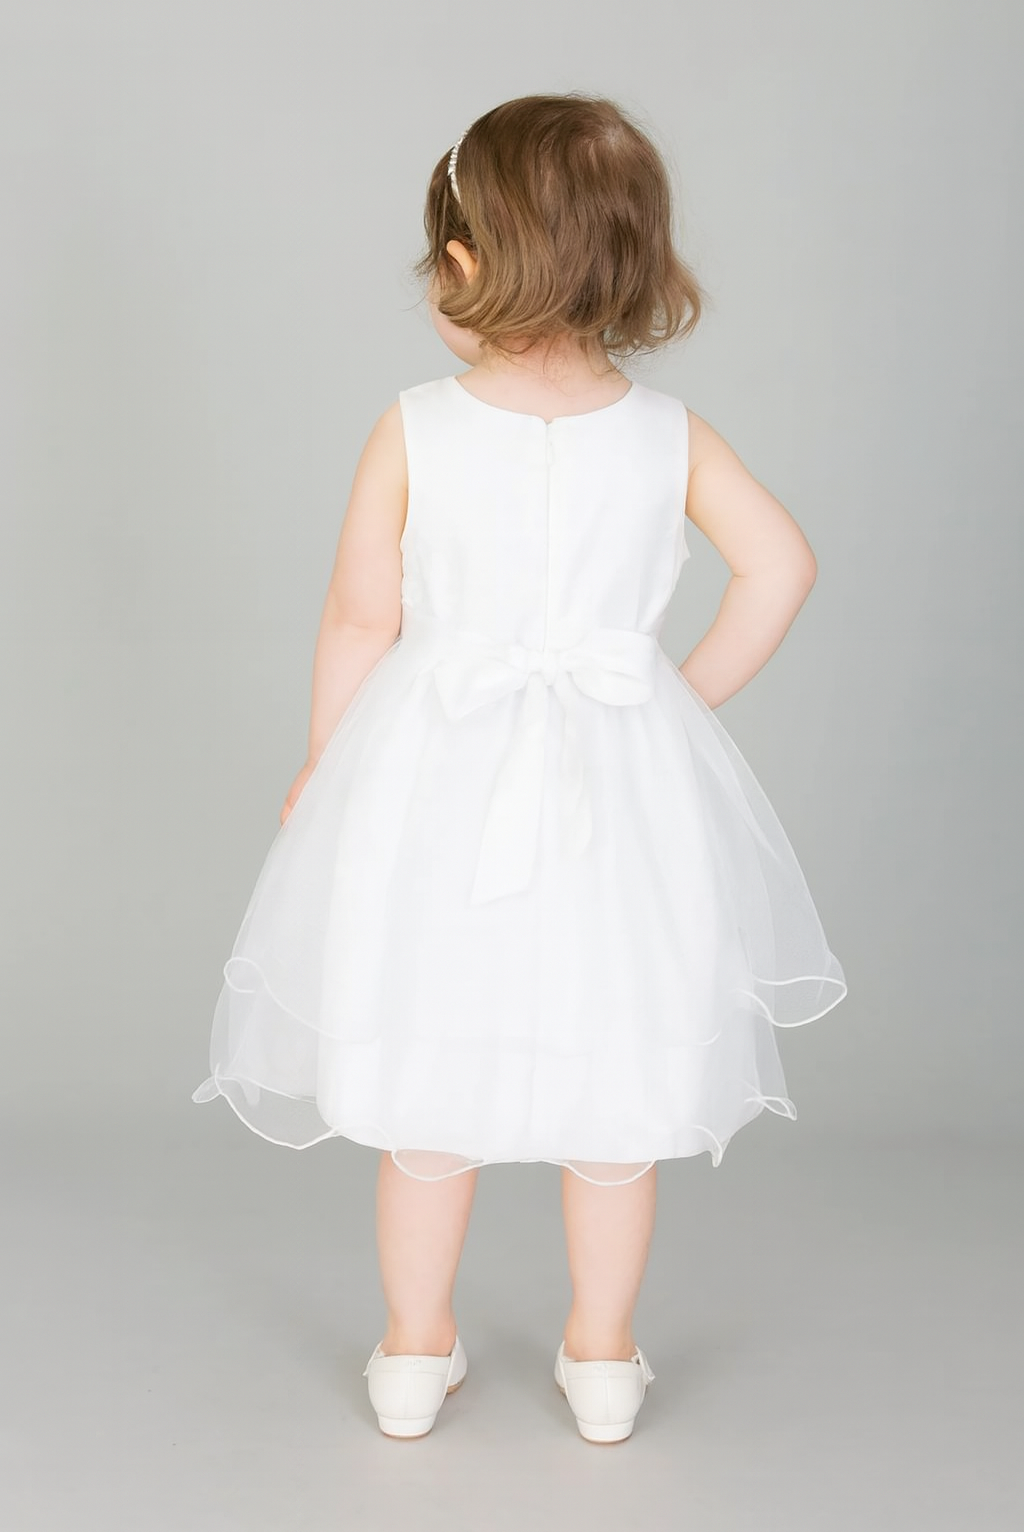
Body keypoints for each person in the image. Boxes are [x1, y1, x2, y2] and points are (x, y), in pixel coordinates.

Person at [192, 92, 848, 1444]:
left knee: (426, 1072)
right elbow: (782, 566)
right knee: (618, 1081)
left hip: (434, 779)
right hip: (621, 784)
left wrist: (323, 764)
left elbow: (360, 618)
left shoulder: (415, 427)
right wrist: (673, 701)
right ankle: (602, 1360)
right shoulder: (670, 436)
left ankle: (411, 1351)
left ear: (468, 262)